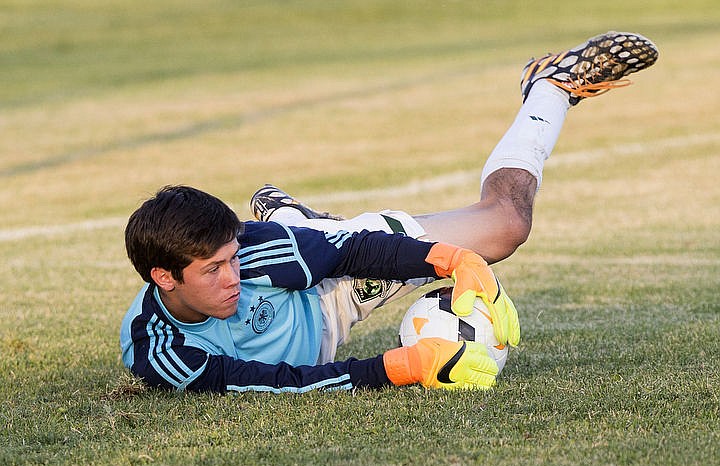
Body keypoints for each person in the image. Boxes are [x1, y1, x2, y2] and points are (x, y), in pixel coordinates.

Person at [120, 31, 658, 394]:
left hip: (331, 289)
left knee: (505, 226)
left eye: (233, 258)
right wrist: (397, 367)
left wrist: (450, 260)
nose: (233, 277)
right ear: (164, 278)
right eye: (213, 270)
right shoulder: (159, 350)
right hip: (312, 280)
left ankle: (549, 89)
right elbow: (273, 383)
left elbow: (355, 250)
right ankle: (298, 219)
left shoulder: (258, 253)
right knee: (316, 246)